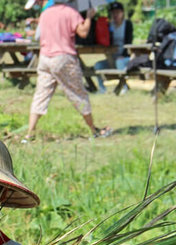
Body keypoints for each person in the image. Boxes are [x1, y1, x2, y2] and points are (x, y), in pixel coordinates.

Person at [22, 0, 111, 142]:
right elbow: (83, 32)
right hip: (63, 58)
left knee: (41, 95)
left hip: (45, 58)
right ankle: (93, 129)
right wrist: (88, 16)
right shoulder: (70, 12)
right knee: (79, 94)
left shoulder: (45, 13)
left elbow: (38, 36)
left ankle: (29, 133)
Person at [93, 1, 133, 93]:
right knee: (98, 66)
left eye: (118, 12)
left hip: (125, 58)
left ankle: (123, 86)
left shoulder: (127, 24)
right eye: (113, 12)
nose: (115, 15)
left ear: (122, 13)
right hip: (112, 58)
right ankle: (102, 89)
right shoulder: (109, 25)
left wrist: (123, 54)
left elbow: (129, 41)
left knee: (119, 62)